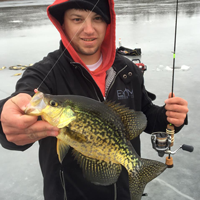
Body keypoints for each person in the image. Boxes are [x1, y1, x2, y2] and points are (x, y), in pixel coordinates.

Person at [0, 0, 188, 200]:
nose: (88, 29)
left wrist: (170, 118)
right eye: (77, 19)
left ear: (108, 23)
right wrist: (6, 120)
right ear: (62, 24)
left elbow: (144, 115)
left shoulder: (128, 70)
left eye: (97, 18)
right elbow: (23, 100)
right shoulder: (44, 73)